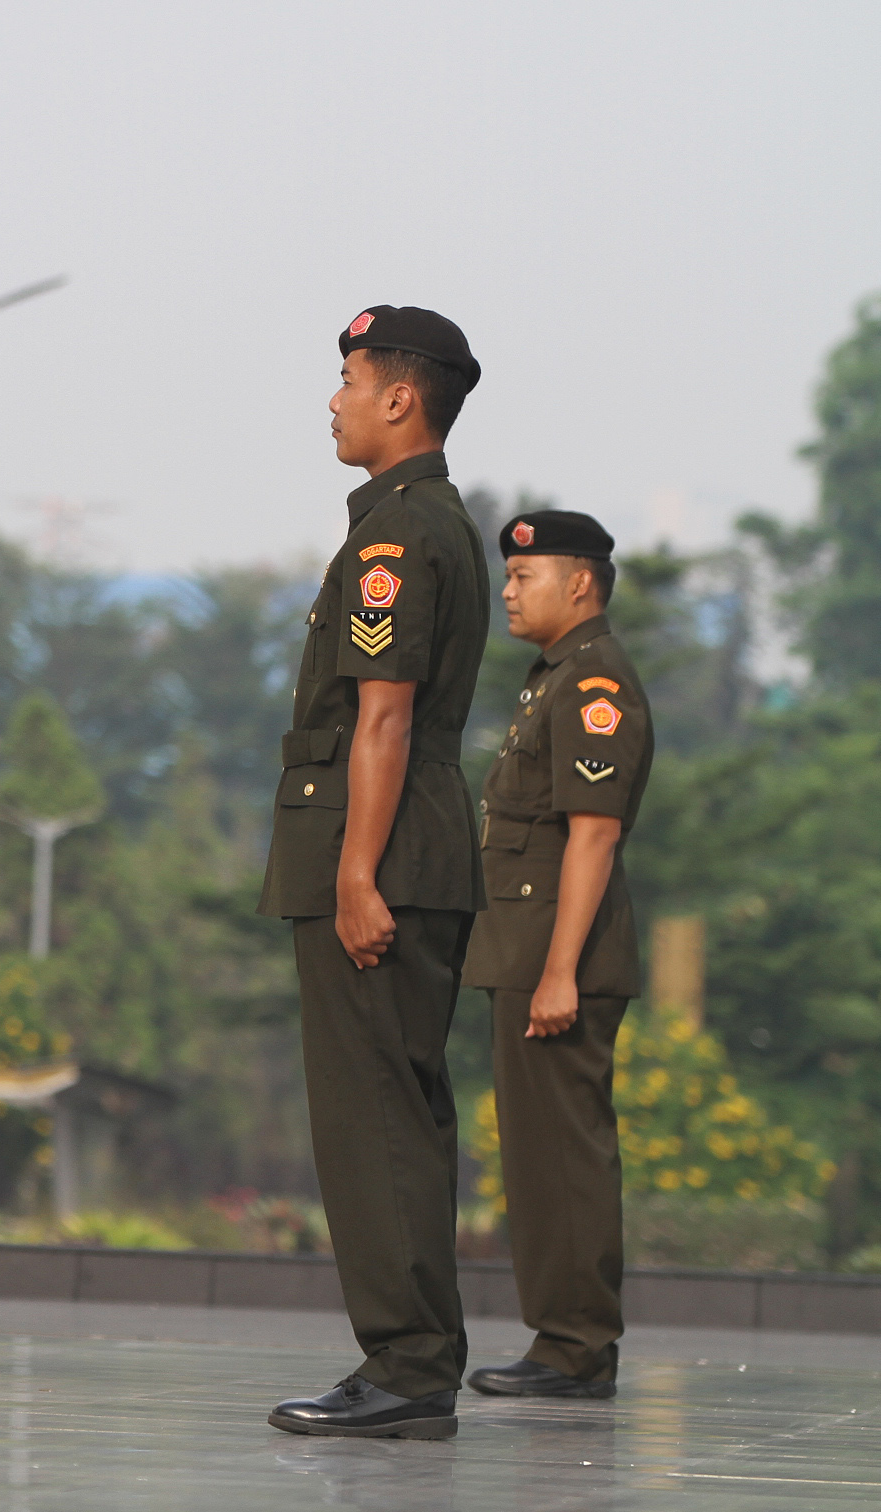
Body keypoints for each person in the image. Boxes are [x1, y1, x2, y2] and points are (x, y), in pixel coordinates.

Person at [261, 306, 491, 1440]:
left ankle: (405, 1368)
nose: (335, 400)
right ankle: (412, 1360)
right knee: (399, 1110)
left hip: (381, 850)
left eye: (350, 380)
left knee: (374, 1118)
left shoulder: (397, 537)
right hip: (412, 843)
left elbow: (384, 718)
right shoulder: (427, 521)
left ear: (401, 398)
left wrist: (357, 874)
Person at [461, 510, 651, 1400]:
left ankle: (576, 1349)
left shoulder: (594, 682)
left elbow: (594, 834)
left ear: (579, 584)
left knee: (566, 1157)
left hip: (555, 961)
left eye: (524, 576)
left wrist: (561, 971)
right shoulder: (556, 678)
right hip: (526, 952)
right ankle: (560, 1340)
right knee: (538, 1159)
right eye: (507, 575)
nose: (508, 590)